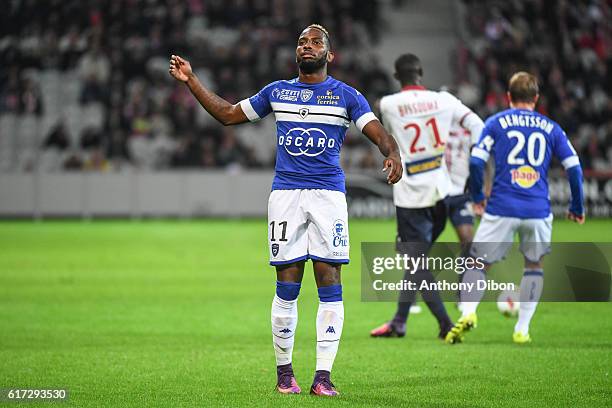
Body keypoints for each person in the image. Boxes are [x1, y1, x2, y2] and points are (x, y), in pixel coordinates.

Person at [169, 24, 402, 396]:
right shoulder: (277, 92)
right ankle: (284, 375)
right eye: (301, 42)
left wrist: (392, 154)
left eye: (315, 42)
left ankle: (323, 378)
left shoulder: (347, 96)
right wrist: (191, 80)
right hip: (286, 196)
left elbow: (378, 133)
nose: (306, 46)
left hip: (328, 197)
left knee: (330, 282)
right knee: (287, 284)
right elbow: (228, 114)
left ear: (330, 54)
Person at [445, 72, 585, 345]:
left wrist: (476, 197)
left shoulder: (497, 122)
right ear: (536, 98)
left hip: (501, 206)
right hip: (538, 210)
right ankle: (522, 329)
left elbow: (476, 162)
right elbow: (574, 168)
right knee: (534, 266)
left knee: (477, 262)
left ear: (508, 97)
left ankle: (469, 312)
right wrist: (576, 206)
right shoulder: (551, 127)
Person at [370, 53, 484, 340]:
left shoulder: (388, 103)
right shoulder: (444, 101)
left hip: (411, 197)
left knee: (416, 263)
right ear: (421, 73)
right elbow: (478, 126)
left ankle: (445, 324)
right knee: (415, 261)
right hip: (442, 192)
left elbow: (377, 132)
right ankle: (399, 321)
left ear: (397, 76)